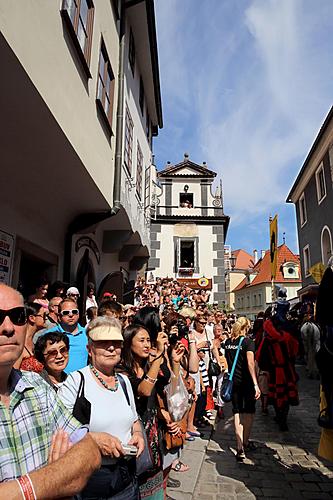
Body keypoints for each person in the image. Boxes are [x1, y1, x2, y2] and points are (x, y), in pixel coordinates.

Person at [0, 283, 101, 492]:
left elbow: (89, 452)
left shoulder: (36, 386)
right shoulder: (42, 379)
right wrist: (57, 478)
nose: (8, 328)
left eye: (17, 316)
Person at [59, 316, 145, 499]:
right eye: (103, 343)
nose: (111, 348)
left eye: (116, 343)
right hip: (90, 477)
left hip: (126, 474)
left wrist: (137, 434)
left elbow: (134, 419)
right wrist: (93, 440)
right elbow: (59, 430)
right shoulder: (76, 381)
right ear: (90, 349)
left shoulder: (123, 382)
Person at [121, 323, 168, 499]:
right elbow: (144, 390)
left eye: (149, 340)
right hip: (135, 434)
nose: (147, 345)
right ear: (128, 343)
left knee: (155, 484)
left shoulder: (149, 365)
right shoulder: (122, 370)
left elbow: (167, 381)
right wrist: (157, 359)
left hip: (154, 432)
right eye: (141, 340)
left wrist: (174, 361)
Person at [224, 317, 260, 461]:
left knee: (237, 411)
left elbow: (228, 360)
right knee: (249, 412)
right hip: (246, 382)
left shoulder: (228, 343)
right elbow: (251, 364)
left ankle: (239, 447)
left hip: (234, 382)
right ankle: (245, 441)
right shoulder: (247, 342)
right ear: (246, 327)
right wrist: (255, 383)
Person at [44, 298, 87, 373]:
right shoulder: (49, 335)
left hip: (82, 381)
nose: (71, 315)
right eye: (66, 312)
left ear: (78, 314)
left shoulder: (88, 334)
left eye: (74, 312)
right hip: (57, 382)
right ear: (59, 317)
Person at [14, 302, 46, 373]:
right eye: (43, 315)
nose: (46, 318)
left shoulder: (33, 343)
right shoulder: (19, 345)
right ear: (32, 318)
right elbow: (13, 374)